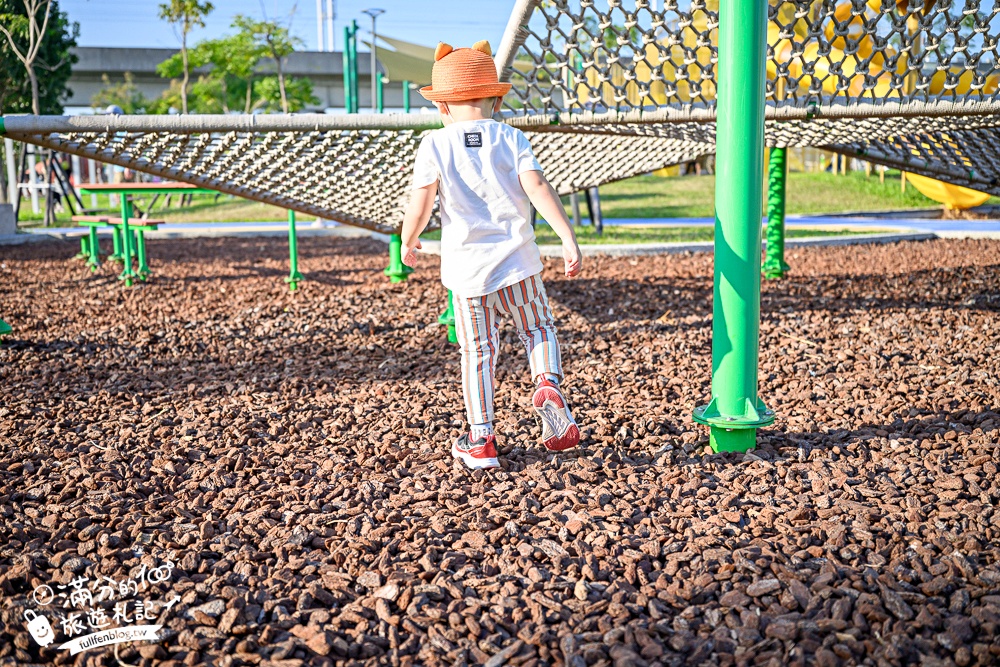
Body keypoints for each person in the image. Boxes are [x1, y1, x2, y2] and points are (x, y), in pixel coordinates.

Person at [400, 40, 583, 470]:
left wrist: (408, 239)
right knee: (538, 327)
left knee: (478, 353)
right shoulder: (511, 137)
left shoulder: (435, 144)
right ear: (496, 99)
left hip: (466, 272)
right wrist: (568, 238)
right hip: (518, 263)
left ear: (442, 105)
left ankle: (481, 439)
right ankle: (546, 381)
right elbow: (537, 188)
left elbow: (421, 200)